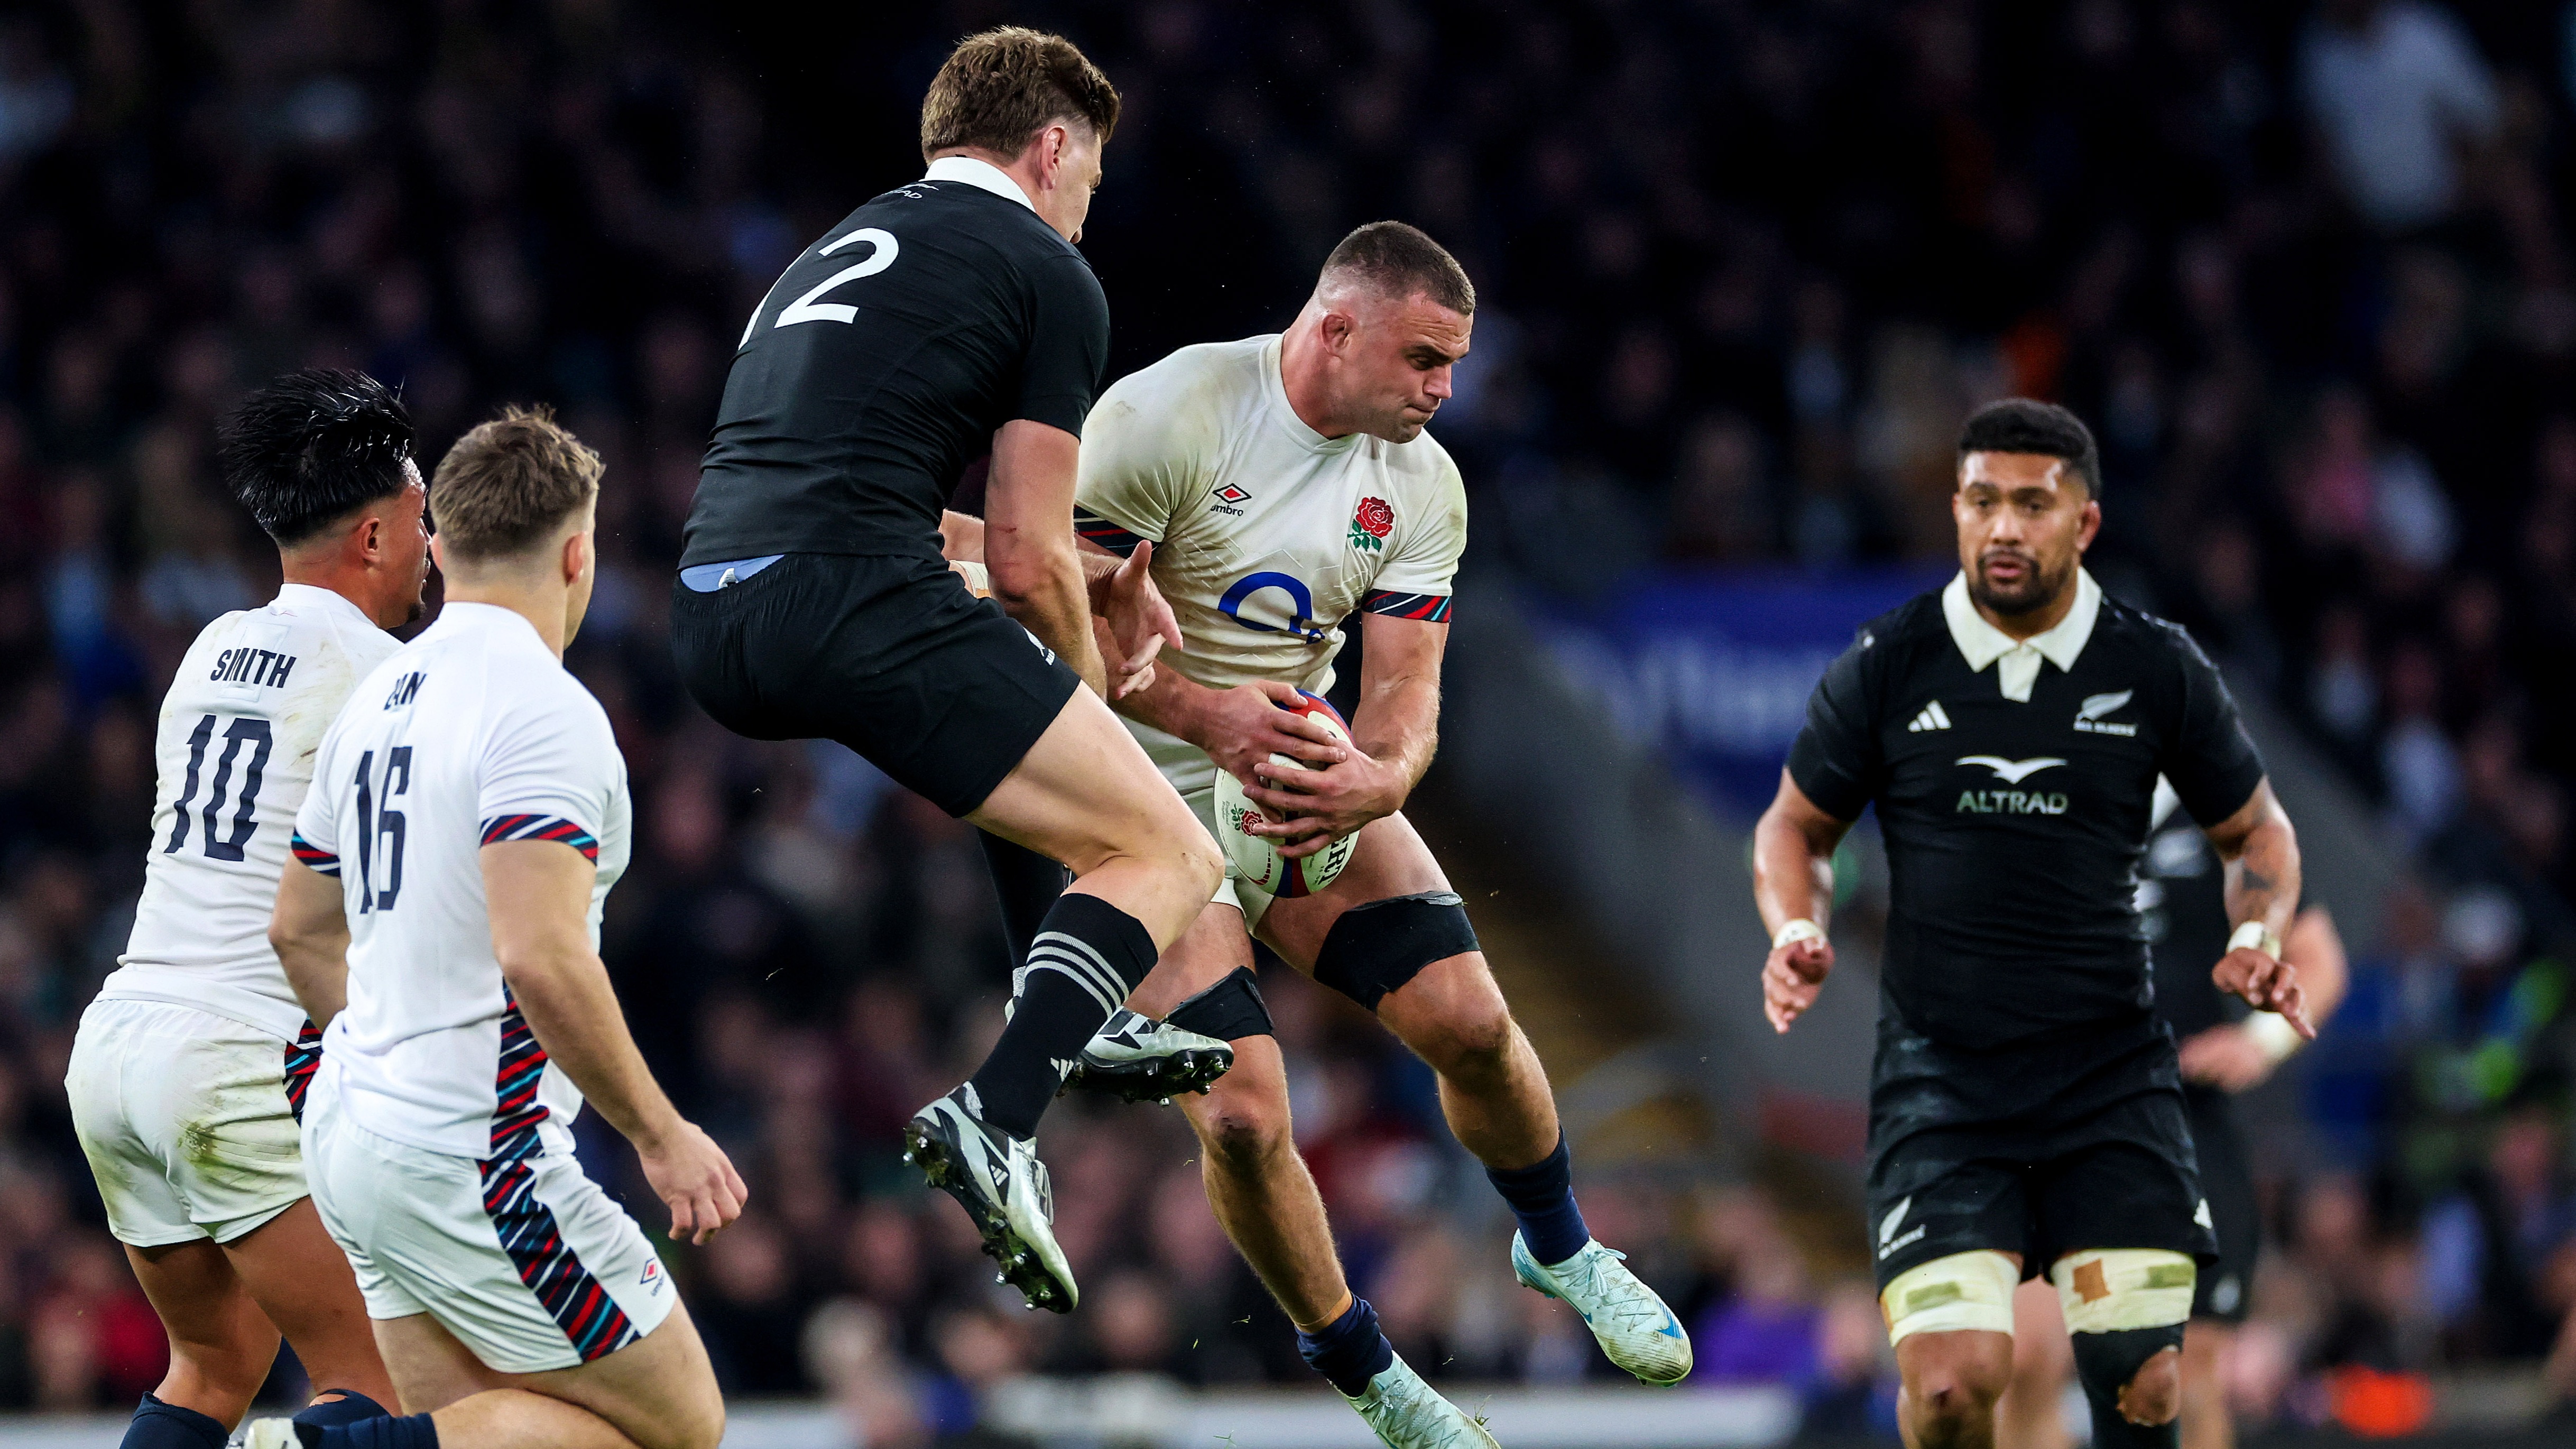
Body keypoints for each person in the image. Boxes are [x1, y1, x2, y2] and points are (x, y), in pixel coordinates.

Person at [962, 222, 1691, 1448]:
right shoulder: (1176, 412)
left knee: (1471, 1021)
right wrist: (1208, 718)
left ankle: (1560, 1243)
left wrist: (1378, 777)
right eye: (1423, 359)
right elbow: (1048, 631)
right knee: (1244, 1114)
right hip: (1136, 794)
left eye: (1453, 365)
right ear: (1336, 328)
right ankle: (1374, 1376)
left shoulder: (1422, 482)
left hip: (1292, 774)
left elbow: (1408, 689)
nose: (1442, 391)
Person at [667, 25, 1222, 1314]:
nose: (1088, 207)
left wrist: (1065, 591)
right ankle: (1000, 1115)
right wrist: (1098, 698)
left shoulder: (830, 250)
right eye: (1089, 176)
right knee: (1167, 847)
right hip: (845, 599)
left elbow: (863, 488)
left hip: (717, 612)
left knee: (1009, 744)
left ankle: (1083, 1003)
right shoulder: (1045, 271)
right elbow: (1031, 561)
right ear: (1050, 149)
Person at [1751, 399, 2313, 1449]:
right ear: (1956, 512)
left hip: (2110, 1083)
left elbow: (2261, 837)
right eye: (1981, 502)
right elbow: (1793, 826)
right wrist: (1794, 923)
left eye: (2030, 503)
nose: (2003, 526)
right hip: (1944, 1084)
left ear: (2084, 523)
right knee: (1954, 1383)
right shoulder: (1890, 661)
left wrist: (2258, 933)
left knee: (2148, 1377)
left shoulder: (2155, 667)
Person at [247, 408, 742, 1449]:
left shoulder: (375, 701)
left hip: (354, 1131)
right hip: (474, 1154)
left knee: (468, 1431)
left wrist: (388, 1057)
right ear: (579, 551)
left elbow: (297, 928)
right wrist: (663, 1136)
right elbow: (539, 951)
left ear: (438, 547)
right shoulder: (540, 709)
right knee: (681, 1428)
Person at [63, 370, 421, 1449]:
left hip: (121, 1045)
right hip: (238, 1055)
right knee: (379, 1389)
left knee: (214, 1366)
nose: (434, 543)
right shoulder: (389, 676)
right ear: (369, 536)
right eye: (422, 517)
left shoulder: (213, 645)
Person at [1995, 790, 2350, 1449]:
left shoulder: (2230, 823)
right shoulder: (2042, 804)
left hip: (2185, 1124)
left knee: (2186, 1372)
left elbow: (2319, 956)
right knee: (2022, 1362)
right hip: (2057, 1124)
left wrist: (2260, 1042)